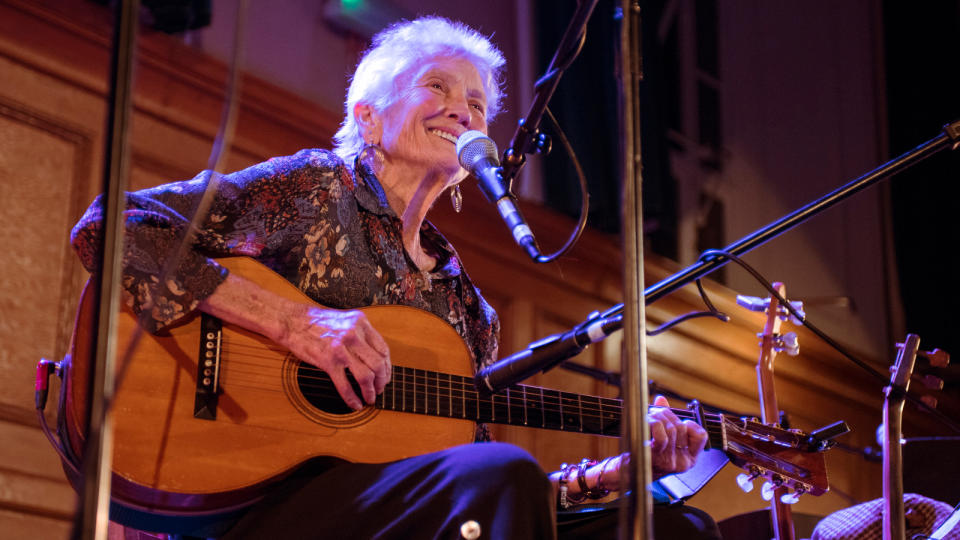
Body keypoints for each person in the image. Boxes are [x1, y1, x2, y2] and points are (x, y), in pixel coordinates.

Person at [72, 16, 717, 539]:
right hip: (255, 495)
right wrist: (292, 322)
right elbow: (112, 226)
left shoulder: (465, 305)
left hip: (386, 515)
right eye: (436, 86)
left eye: (477, 103)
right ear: (368, 116)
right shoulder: (314, 187)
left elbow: (484, 496)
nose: (462, 110)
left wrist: (610, 476)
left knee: (677, 524)